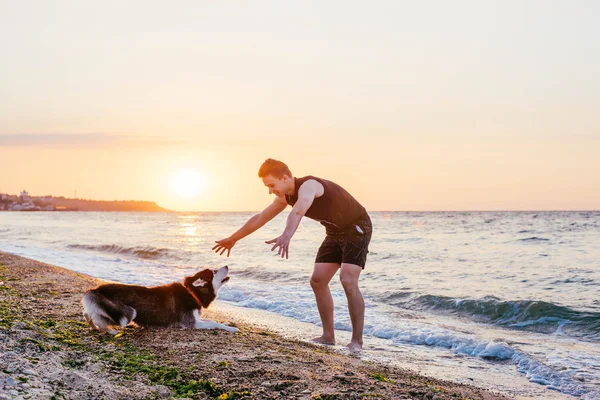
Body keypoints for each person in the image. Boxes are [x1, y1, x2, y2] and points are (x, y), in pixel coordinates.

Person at [213, 159, 372, 352]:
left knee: (347, 280)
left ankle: (357, 341)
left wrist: (287, 235)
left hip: (357, 227)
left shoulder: (309, 186)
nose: (271, 191)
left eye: (272, 185)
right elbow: (260, 218)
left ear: (285, 177)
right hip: (334, 232)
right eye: (268, 187)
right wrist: (233, 238)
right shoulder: (284, 197)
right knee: (318, 280)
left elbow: (298, 210)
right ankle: (328, 336)